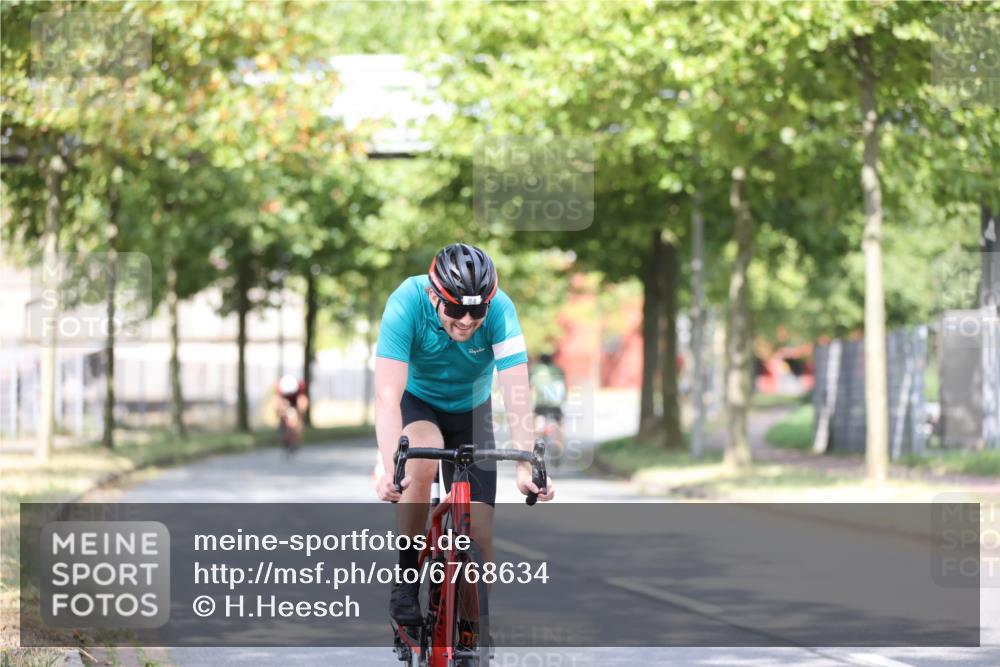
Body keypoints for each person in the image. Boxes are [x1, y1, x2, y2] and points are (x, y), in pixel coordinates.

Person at [373, 243, 555, 631]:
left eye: (477, 310)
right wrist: (389, 464)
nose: (467, 320)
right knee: (421, 458)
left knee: (481, 535)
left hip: (473, 411)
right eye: (455, 309)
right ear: (433, 295)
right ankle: (406, 579)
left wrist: (526, 465)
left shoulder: (501, 309)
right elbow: (388, 397)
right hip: (418, 404)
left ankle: (471, 641)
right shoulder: (407, 301)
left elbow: (517, 394)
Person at [530, 353, 566, 461]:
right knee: (560, 426)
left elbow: (531, 386)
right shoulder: (558, 369)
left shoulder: (535, 369)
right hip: (556, 403)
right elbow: (562, 385)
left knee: (537, 425)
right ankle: (559, 449)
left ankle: (536, 451)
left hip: (541, 404)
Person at [275, 374, 308, 453]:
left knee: (299, 415)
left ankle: (296, 438)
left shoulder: (300, 386)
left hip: (296, 400)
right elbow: (277, 401)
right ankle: (284, 432)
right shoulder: (279, 387)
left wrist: (301, 413)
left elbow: (302, 401)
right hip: (284, 399)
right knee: (281, 411)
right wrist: (280, 412)